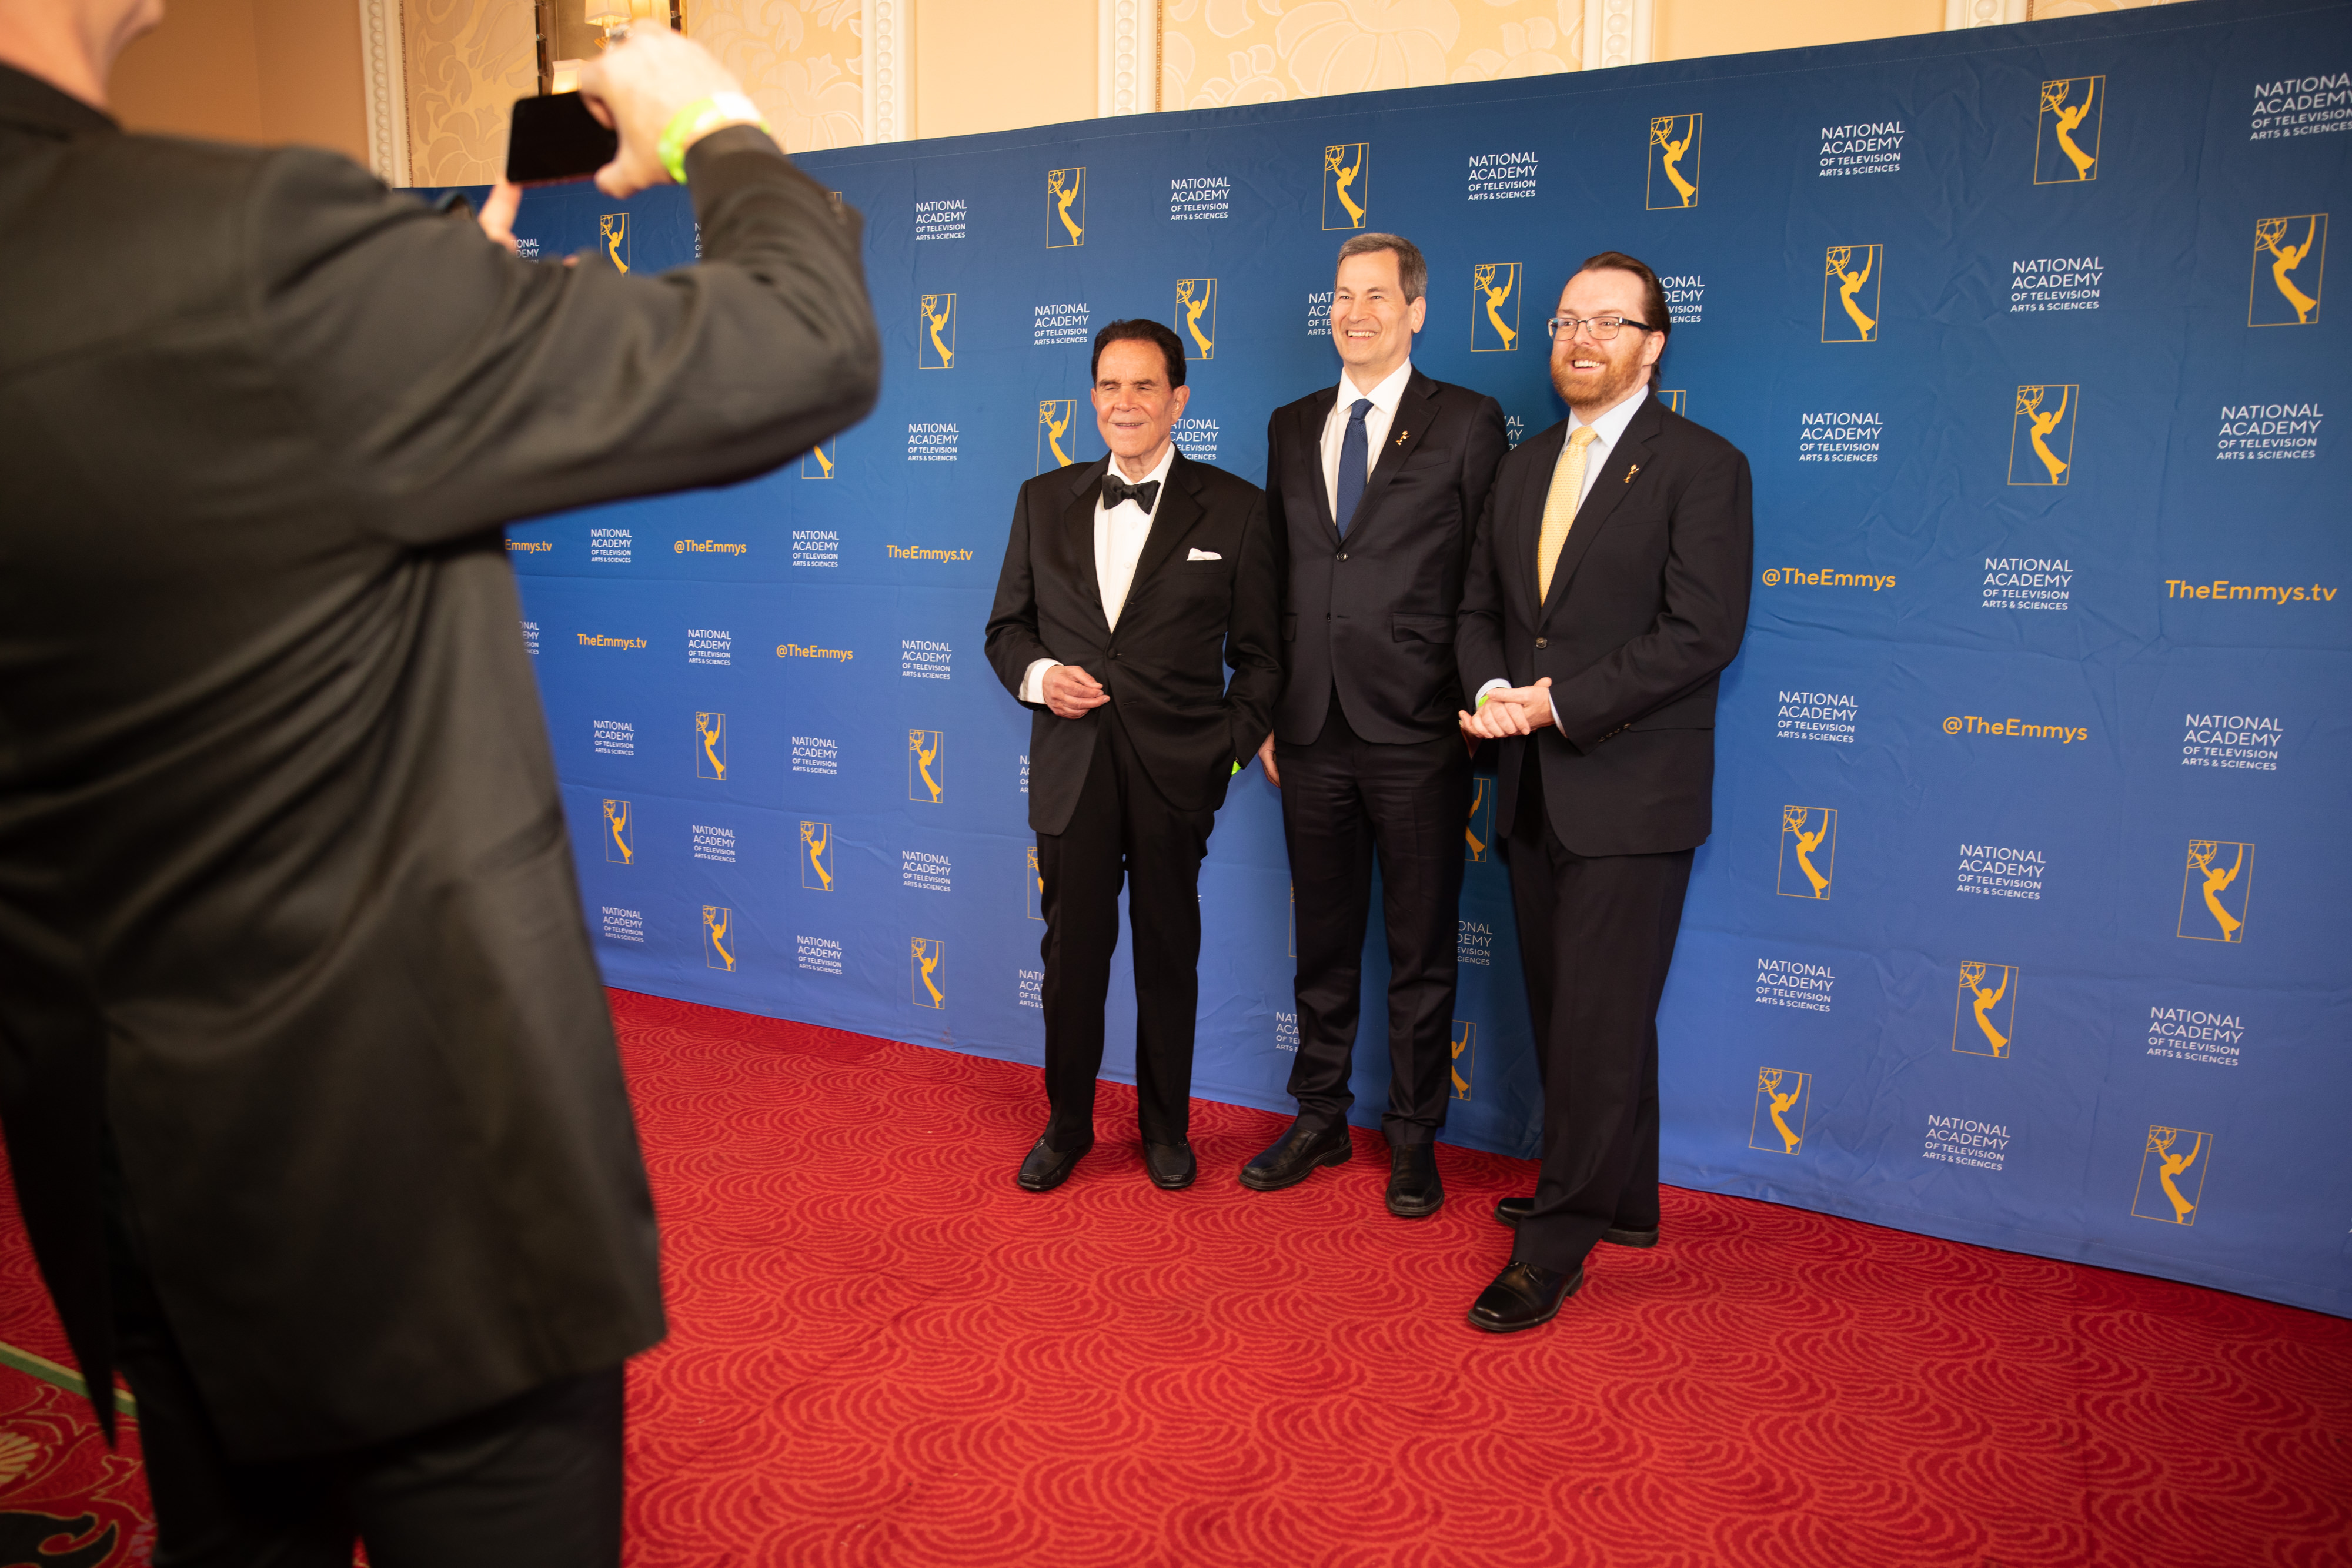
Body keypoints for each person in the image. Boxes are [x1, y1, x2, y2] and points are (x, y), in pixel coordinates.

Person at [0, 4, 879, 1560]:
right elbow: (801, 338)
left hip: (134, 1186)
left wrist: (420, 324)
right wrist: (709, 123)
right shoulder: (248, 247)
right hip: (421, 1197)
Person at [1455, 251, 1752, 1332]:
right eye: (1566, 320)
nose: (1581, 339)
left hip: (1632, 792)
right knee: (1575, 1012)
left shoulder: (1703, 466)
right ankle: (1622, 1199)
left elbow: (1702, 633)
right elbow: (1481, 609)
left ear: (1653, 344)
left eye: (1609, 322)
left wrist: (1557, 705)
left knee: (1596, 1020)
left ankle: (1555, 1245)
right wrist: (1492, 690)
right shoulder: (1524, 465)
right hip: (1532, 790)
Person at [984, 320, 1281, 1193]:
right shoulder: (1042, 499)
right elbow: (1006, 629)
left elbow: (1263, 658)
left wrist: (1224, 752)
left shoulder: (1237, 508)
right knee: (1071, 960)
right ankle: (1067, 1125)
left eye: (1144, 386)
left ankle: (1165, 1129)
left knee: (1168, 956)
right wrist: (1041, 677)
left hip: (1176, 773)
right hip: (1073, 771)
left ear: (1178, 399)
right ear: (1092, 399)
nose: (1125, 403)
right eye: (1110, 386)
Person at [1245, 234, 1507, 1216]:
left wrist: (1474, 698)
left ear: (1417, 311)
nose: (1355, 312)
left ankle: (1413, 1135)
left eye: (1377, 296)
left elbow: (1488, 575)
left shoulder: (1468, 421)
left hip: (1419, 729)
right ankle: (1318, 1117)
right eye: (1343, 295)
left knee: (1420, 950)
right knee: (1321, 942)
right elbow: (1273, 577)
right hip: (1309, 729)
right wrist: (1265, 709)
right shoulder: (1290, 423)